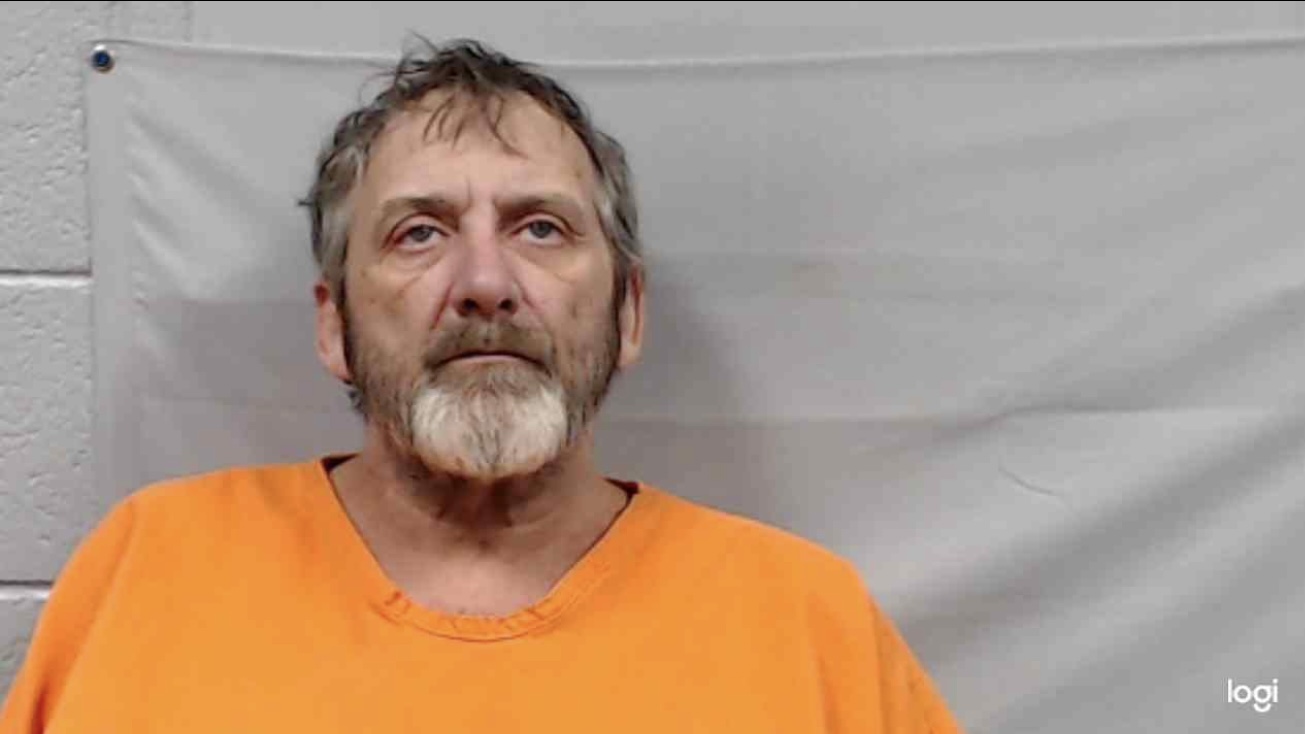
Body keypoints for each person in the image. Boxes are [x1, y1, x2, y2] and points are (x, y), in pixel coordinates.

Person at [0, 37, 962, 733]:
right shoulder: (149, 570)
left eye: (540, 228)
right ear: (334, 325)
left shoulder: (807, 623)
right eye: (418, 232)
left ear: (628, 312)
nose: (485, 284)